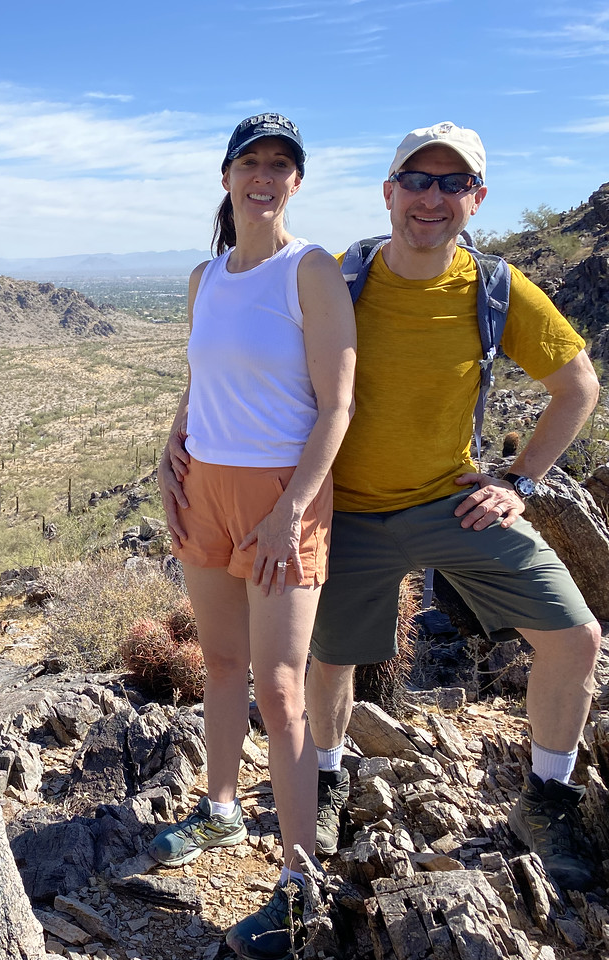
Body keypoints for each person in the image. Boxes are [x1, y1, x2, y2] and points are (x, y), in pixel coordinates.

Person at [298, 122, 602, 891]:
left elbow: (578, 388)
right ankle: (327, 780)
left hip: (455, 503)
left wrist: (520, 481)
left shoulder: (495, 287)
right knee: (330, 657)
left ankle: (545, 797)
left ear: (477, 199)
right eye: (418, 180)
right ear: (390, 190)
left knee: (575, 639)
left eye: (452, 184)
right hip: (353, 509)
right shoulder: (341, 277)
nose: (432, 198)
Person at [151, 113, 356, 960]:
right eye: (251, 163)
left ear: (296, 181)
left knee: (280, 685)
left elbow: (337, 405)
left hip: (282, 495)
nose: (264, 177)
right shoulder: (207, 277)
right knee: (223, 662)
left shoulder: (309, 271)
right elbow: (206, 376)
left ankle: (300, 882)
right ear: (227, 176)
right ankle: (223, 809)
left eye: (281, 165)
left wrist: (292, 507)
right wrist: (173, 437)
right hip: (207, 486)